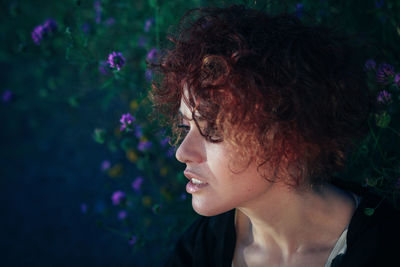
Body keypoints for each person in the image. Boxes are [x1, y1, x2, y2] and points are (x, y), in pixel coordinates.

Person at [149, 5, 400, 267]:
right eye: (184, 127)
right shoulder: (200, 249)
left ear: (287, 139)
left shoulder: (386, 249)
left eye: (212, 130)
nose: (181, 153)